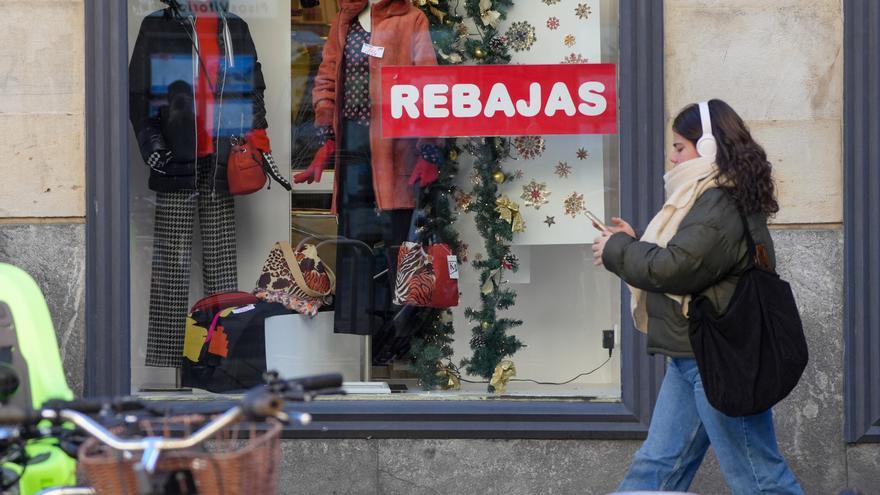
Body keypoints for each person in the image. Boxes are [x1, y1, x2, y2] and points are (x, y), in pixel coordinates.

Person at [592, 99, 804, 494]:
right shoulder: (708, 197)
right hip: (692, 356)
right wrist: (635, 243)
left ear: (707, 147)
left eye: (679, 147)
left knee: (760, 479)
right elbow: (689, 258)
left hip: (718, 358)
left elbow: (677, 268)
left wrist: (618, 250)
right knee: (656, 470)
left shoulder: (718, 202)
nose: (672, 158)